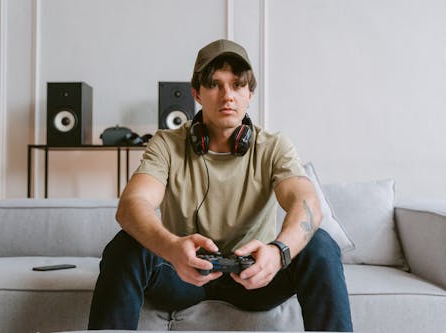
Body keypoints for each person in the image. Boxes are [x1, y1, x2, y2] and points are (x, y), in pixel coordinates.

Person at [88, 39, 353, 332]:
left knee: (321, 245)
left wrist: (278, 252)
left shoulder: (274, 146)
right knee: (124, 247)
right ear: (197, 93)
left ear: (250, 93)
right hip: (184, 273)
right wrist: (172, 248)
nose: (227, 95)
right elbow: (131, 205)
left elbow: (308, 204)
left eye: (237, 85)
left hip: (255, 278)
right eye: (215, 84)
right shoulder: (166, 143)